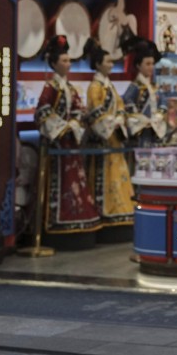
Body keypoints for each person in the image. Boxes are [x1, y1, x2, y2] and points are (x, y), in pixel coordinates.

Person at [35, 35, 98, 237]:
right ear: (53, 63)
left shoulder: (70, 88)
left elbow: (79, 110)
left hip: (71, 142)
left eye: (69, 60)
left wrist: (75, 123)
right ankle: (56, 220)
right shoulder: (50, 87)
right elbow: (42, 111)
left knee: (75, 179)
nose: (68, 64)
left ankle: (76, 218)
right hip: (58, 143)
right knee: (61, 179)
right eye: (64, 60)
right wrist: (63, 127)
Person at [82, 38, 135, 234]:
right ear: (97, 64)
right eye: (108, 62)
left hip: (114, 136)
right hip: (103, 138)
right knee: (105, 176)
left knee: (117, 175)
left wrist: (120, 118)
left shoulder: (108, 85)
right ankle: (107, 213)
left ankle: (119, 211)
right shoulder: (95, 87)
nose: (111, 65)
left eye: (112, 62)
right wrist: (112, 123)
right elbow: (96, 112)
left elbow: (120, 105)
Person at [122, 38, 167, 147]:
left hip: (154, 130)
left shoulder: (154, 86)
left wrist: (158, 116)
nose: (151, 67)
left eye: (152, 64)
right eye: (147, 64)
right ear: (138, 65)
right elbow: (127, 102)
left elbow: (163, 102)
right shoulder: (134, 86)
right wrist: (142, 119)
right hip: (140, 132)